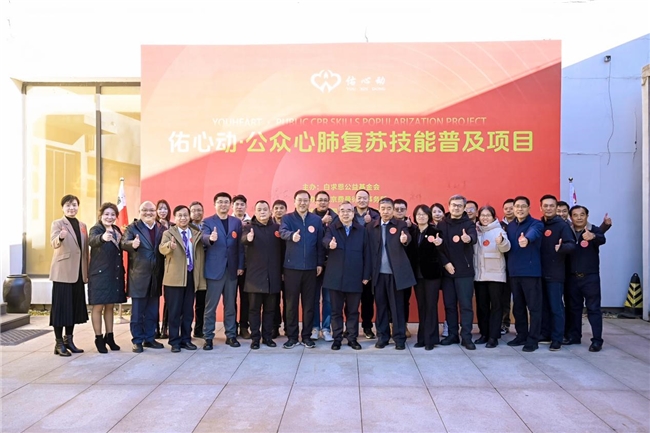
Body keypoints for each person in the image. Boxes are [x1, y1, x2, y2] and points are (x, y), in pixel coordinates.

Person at [367, 197, 415, 350]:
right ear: (379, 210)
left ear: (393, 210)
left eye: (389, 208)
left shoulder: (400, 224)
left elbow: (407, 237)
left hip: (395, 275)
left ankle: (399, 338)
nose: (386, 211)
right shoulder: (371, 226)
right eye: (383, 208)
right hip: (378, 275)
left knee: (397, 307)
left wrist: (405, 239)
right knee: (381, 307)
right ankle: (383, 337)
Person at [323, 201, 371, 350]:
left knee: (353, 311)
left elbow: (367, 253)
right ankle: (337, 339)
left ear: (353, 213)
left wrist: (366, 275)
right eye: (342, 211)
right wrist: (329, 244)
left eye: (349, 211)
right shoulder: (332, 228)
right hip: (335, 277)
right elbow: (325, 240)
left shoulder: (361, 230)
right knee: (336, 311)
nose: (345, 213)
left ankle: (352, 338)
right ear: (338, 213)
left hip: (355, 276)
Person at [279, 190, 325, 348]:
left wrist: (319, 263)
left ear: (309, 202)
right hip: (291, 268)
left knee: (309, 304)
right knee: (291, 304)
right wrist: (292, 235)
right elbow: (282, 232)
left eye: (305, 200)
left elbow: (320, 244)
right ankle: (292, 337)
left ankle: (306, 336)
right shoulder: (287, 218)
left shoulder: (316, 220)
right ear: (294, 201)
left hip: (311, 268)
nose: (302, 203)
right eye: (300, 200)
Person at [201, 192, 245, 350]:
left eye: (226, 202)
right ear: (215, 204)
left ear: (230, 205)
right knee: (211, 306)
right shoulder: (208, 221)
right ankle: (208, 337)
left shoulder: (236, 222)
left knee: (230, 305)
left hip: (231, 270)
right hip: (214, 270)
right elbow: (203, 237)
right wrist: (210, 239)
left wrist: (240, 265)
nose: (223, 204)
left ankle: (231, 335)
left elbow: (240, 246)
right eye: (220, 202)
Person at [159, 205, 205, 352]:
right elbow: (162, 248)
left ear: (189, 216)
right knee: (174, 311)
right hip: (174, 277)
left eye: (185, 215)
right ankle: (174, 341)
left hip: (191, 275)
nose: (183, 218)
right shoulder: (168, 233)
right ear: (175, 217)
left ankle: (186, 339)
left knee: (188, 311)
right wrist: (169, 246)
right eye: (180, 215)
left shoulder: (195, 233)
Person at [121, 201, 166, 353]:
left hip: (156, 275)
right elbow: (123, 243)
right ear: (139, 212)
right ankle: (137, 340)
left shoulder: (161, 228)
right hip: (138, 276)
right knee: (138, 312)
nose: (148, 213)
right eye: (145, 210)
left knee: (152, 311)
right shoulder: (132, 228)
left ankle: (149, 338)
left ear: (156, 212)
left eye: (151, 210)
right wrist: (131, 244)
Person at [49, 194, 89, 356]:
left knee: (72, 308)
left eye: (74, 205)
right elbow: (53, 243)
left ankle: (69, 340)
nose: (71, 208)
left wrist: (87, 270)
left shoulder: (82, 225)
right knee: (61, 309)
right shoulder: (57, 223)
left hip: (78, 272)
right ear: (63, 208)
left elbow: (84, 250)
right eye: (68, 205)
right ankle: (59, 343)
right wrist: (60, 237)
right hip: (63, 272)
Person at [437, 195, 478, 350]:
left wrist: (468, 239)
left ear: (464, 208)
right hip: (447, 272)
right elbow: (438, 248)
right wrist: (445, 263)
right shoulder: (442, 224)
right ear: (449, 206)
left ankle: (466, 337)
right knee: (449, 305)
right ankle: (452, 335)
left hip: (465, 272)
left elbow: (473, 237)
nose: (456, 208)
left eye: (459, 206)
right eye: (454, 205)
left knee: (466, 306)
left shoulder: (469, 223)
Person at [241, 200, 283, 349]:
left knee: (270, 310)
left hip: (273, 276)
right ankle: (255, 338)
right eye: (259, 209)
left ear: (270, 211)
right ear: (255, 212)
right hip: (255, 277)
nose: (262, 212)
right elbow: (243, 239)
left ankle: (267, 337)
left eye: (265, 209)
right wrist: (248, 239)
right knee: (254, 310)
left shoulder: (277, 228)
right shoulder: (248, 228)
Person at [566, 205, 607, 352]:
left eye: (582, 214)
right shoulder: (568, 231)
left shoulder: (593, 229)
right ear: (571, 217)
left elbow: (602, 239)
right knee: (573, 308)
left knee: (593, 309)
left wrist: (593, 236)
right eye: (575, 215)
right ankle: (574, 336)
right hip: (572, 277)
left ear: (587, 216)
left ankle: (597, 340)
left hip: (590, 277)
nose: (579, 218)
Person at [505, 196, 544, 352]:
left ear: (529, 208)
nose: (520, 209)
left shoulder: (536, 224)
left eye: (523, 206)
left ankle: (533, 339)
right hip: (514, 273)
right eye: (517, 206)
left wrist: (526, 239)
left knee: (534, 308)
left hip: (530, 273)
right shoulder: (510, 226)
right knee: (518, 308)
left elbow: (534, 233)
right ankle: (521, 335)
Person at [538, 195, 576, 351]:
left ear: (556, 208)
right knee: (543, 306)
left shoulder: (562, 226)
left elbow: (572, 245)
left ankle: (557, 338)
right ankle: (545, 334)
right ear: (541, 208)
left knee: (556, 307)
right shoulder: (539, 224)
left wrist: (561, 248)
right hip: (539, 272)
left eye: (551, 206)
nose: (548, 208)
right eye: (545, 206)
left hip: (555, 273)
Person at [88, 202, 126, 353]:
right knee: (98, 306)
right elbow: (92, 240)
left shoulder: (117, 230)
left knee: (110, 305)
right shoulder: (96, 229)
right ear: (101, 215)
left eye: (112, 214)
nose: (109, 217)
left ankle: (110, 336)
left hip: (113, 274)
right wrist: (102, 238)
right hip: (99, 274)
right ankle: (98, 338)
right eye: (106, 214)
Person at [473, 206, 511, 348]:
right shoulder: (476, 231)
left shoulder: (499, 230)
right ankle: (484, 334)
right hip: (479, 276)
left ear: (493, 217)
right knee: (482, 306)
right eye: (482, 215)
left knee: (496, 306)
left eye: (488, 215)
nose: (485, 218)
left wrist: (501, 242)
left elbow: (506, 248)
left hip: (496, 275)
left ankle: (493, 336)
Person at [407, 205, 443, 350]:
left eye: (424, 214)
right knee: (422, 306)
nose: (421, 217)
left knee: (431, 306)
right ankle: (421, 338)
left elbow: (442, 251)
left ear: (429, 216)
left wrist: (440, 244)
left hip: (432, 275)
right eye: (418, 214)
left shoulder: (436, 232)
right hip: (417, 275)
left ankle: (430, 339)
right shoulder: (413, 232)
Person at [311, 191, 338, 342]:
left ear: (329, 202)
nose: (322, 202)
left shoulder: (336, 217)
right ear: (315, 202)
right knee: (314, 298)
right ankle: (315, 327)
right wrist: (321, 222)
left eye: (325, 200)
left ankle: (326, 328)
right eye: (320, 200)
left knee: (328, 299)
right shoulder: (309, 218)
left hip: (331, 264)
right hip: (314, 263)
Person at [354, 189, 380, 339]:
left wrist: (371, 223)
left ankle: (367, 327)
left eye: (365, 198)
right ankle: (350, 328)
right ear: (355, 199)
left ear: (369, 200)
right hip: (352, 261)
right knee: (350, 299)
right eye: (359, 198)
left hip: (369, 261)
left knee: (368, 299)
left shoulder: (376, 215)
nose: (362, 200)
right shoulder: (348, 213)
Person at [232, 194, 252, 340]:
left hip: (248, 267)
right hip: (231, 266)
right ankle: (232, 326)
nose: (239, 207)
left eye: (242, 204)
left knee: (246, 299)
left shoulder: (252, 223)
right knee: (230, 299)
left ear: (246, 206)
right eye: (237, 204)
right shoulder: (227, 221)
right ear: (232, 206)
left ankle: (244, 327)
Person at [394, 198, 413, 339]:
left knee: (404, 300)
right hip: (389, 270)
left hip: (406, 270)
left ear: (406, 211)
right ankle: (391, 325)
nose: (399, 211)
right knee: (389, 300)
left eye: (402, 209)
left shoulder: (412, 227)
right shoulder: (386, 225)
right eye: (397, 209)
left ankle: (403, 324)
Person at [430, 202, 448, 338]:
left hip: (447, 268)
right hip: (433, 270)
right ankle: (432, 328)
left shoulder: (447, 227)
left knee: (449, 300)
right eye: (434, 212)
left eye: (439, 211)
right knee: (431, 301)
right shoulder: (427, 228)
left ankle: (447, 325)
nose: (437, 214)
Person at [189, 201, 206, 338]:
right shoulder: (186, 228)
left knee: (202, 302)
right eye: (193, 210)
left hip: (204, 269)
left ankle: (199, 329)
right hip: (189, 270)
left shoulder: (207, 226)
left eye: (199, 210)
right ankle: (186, 331)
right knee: (188, 303)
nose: (197, 213)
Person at [155, 199, 172, 339]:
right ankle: (154, 327)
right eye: (160, 208)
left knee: (169, 298)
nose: (162, 211)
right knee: (155, 297)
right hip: (156, 264)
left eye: (165, 208)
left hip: (170, 265)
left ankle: (165, 327)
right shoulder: (153, 226)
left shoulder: (173, 226)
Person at [271, 199, 288, 338]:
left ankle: (288, 326)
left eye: (281, 208)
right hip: (273, 269)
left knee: (288, 300)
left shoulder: (289, 225)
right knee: (274, 300)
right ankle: (275, 326)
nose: (279, 210)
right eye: (276, 208)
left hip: (288, 268)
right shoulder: (269, 226)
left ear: (286, 210)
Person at [500, 198, 516, 335]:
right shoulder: (498, 226)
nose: (509, 210)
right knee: (504, 298)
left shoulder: (521, 224)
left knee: (519, 298)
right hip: (502, 266)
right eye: (506, 208)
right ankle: (504, 323)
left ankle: (521, 326)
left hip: (517, 266)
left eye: (512, 208)